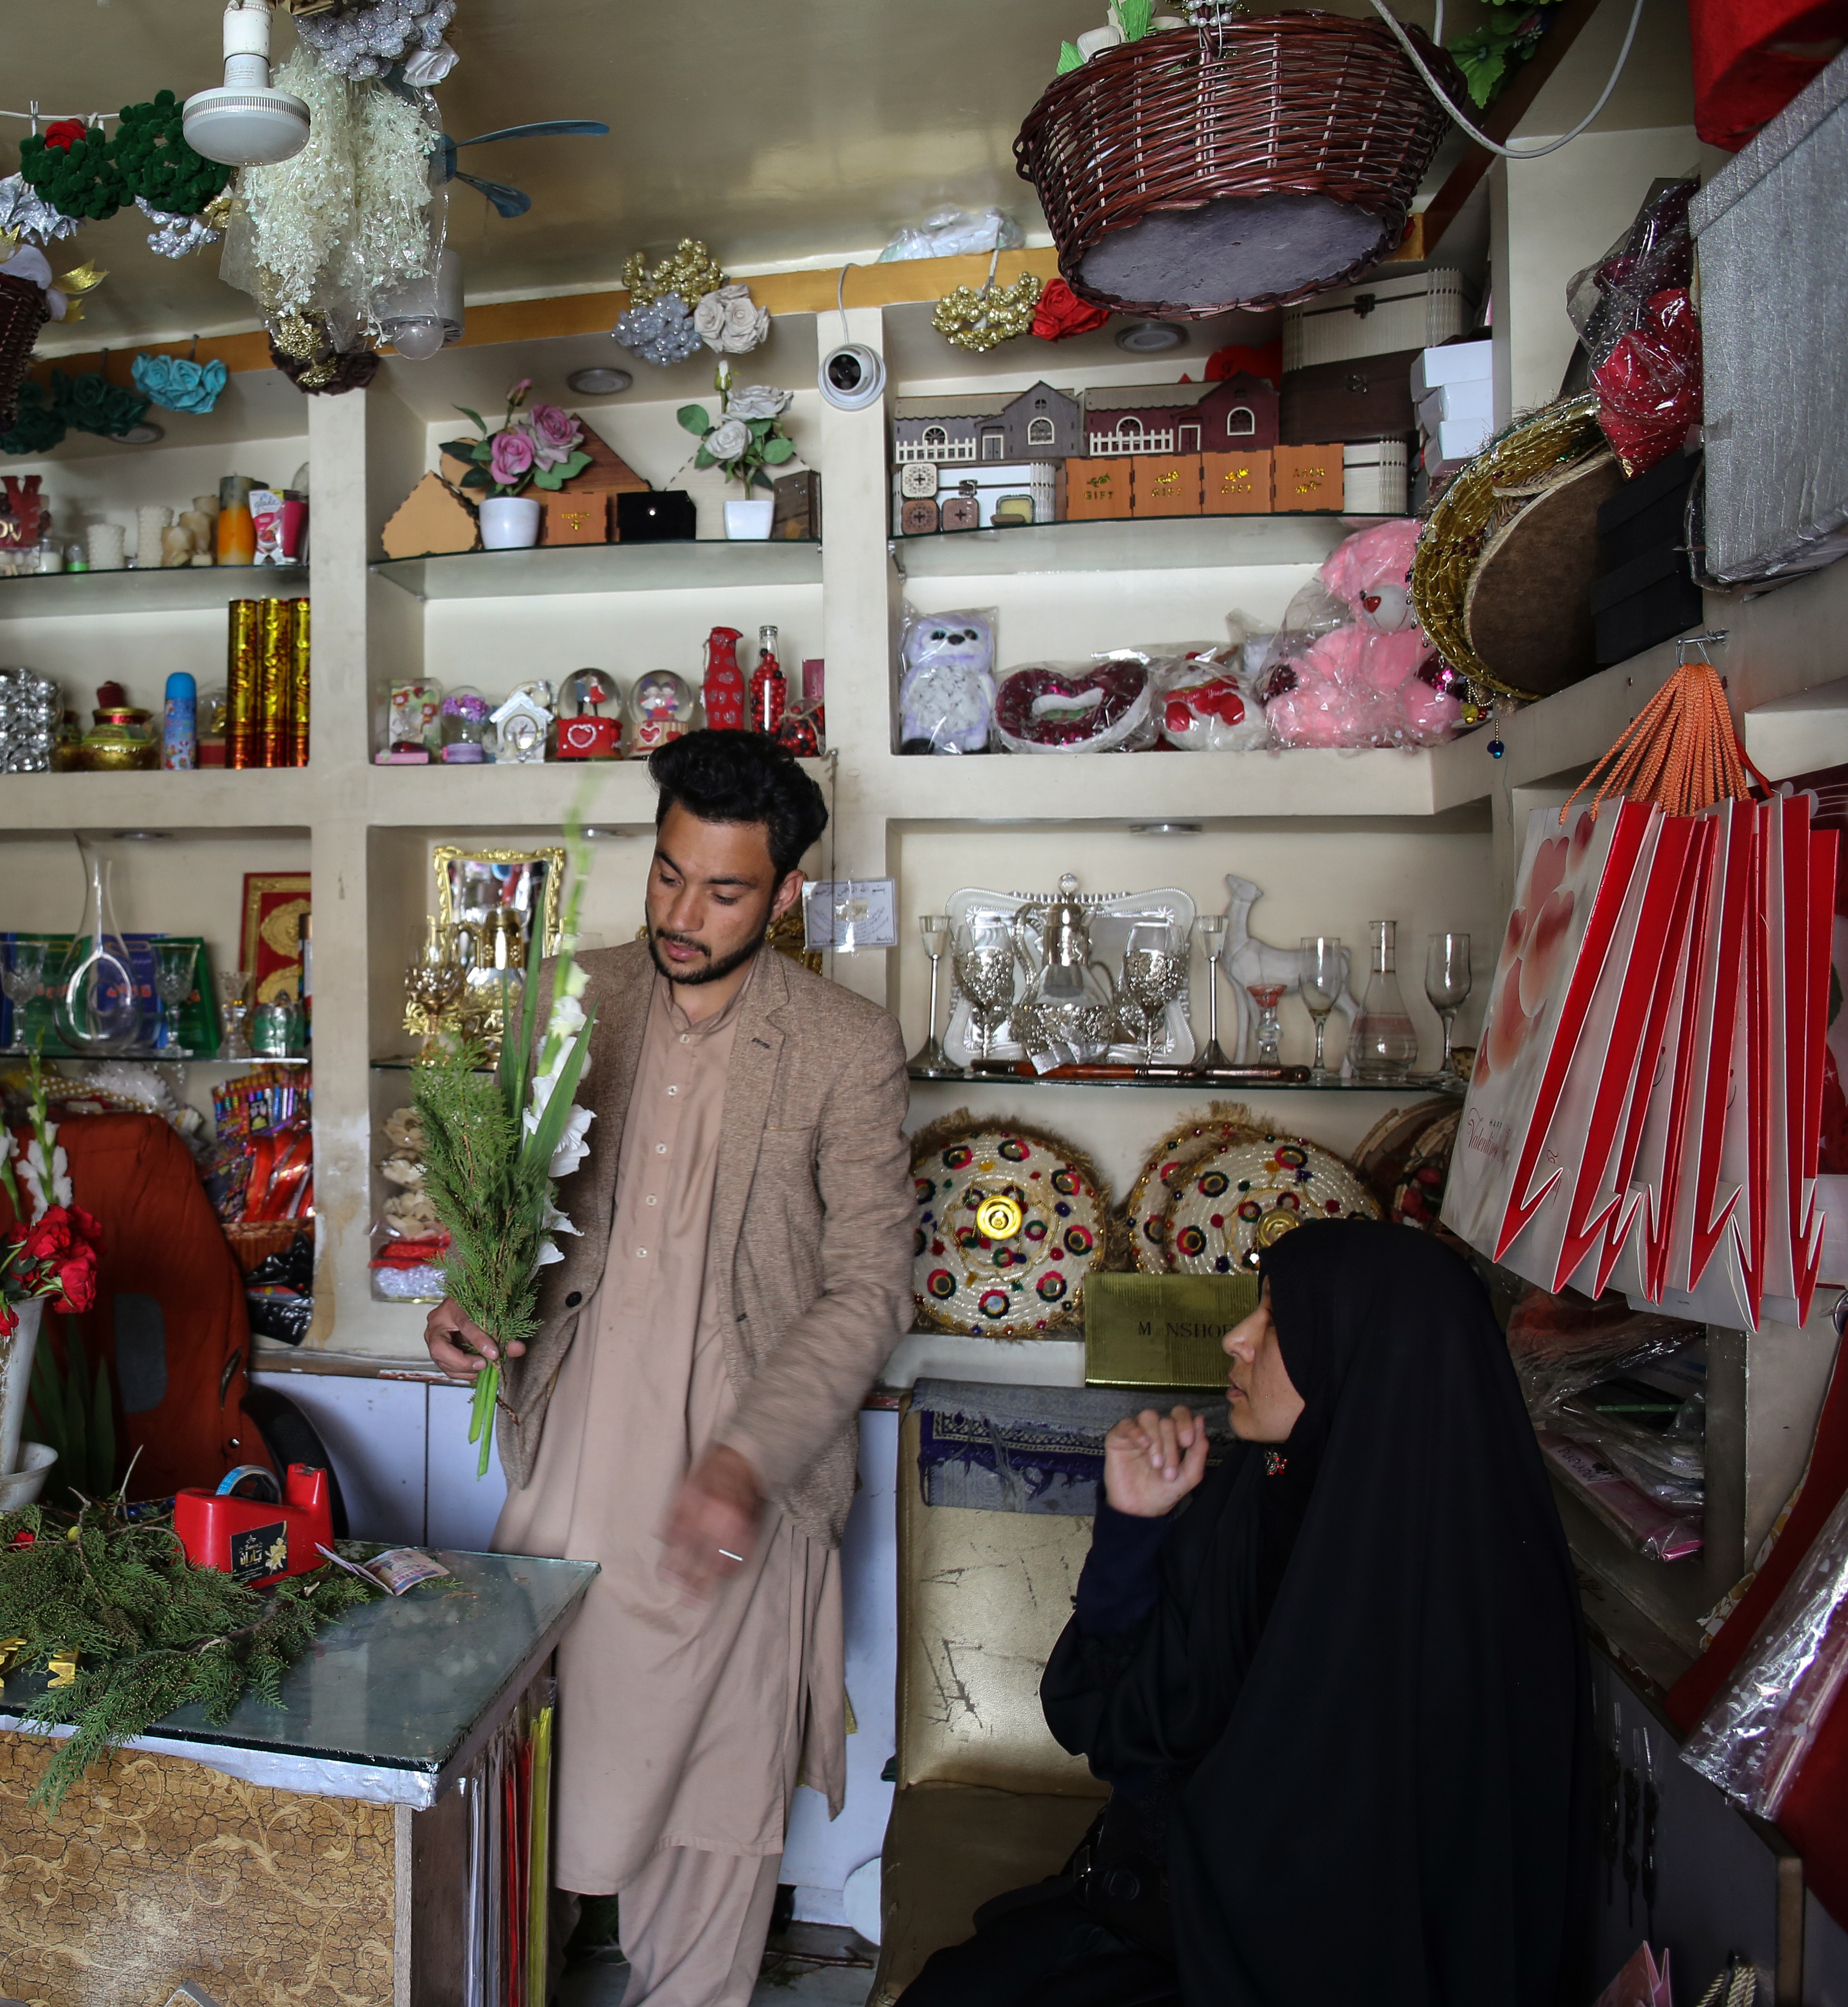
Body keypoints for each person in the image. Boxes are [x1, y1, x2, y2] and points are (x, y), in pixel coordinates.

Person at [424, 730, 916, 2007]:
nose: (682, 917)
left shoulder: (844, 1046)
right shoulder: (568, 1000)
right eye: (666, 875)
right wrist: (466, 1302)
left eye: (724, 892)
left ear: (788, 892)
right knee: (527, 1782)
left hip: (743, 1472)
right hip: (575, 1453)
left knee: (711, 1805)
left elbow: (871, 1284)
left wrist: (745, 1463)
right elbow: (501, 1212)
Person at [906, 1219, 1591, 2007]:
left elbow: (1398, 1891)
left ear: (1361, 1360)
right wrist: (1131, 1532)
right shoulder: (1257, 1498)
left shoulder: (1463, 1589)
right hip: (1159, 1913)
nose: (1237, 1339)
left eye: (1277, 1321)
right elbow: (1120, 1726)